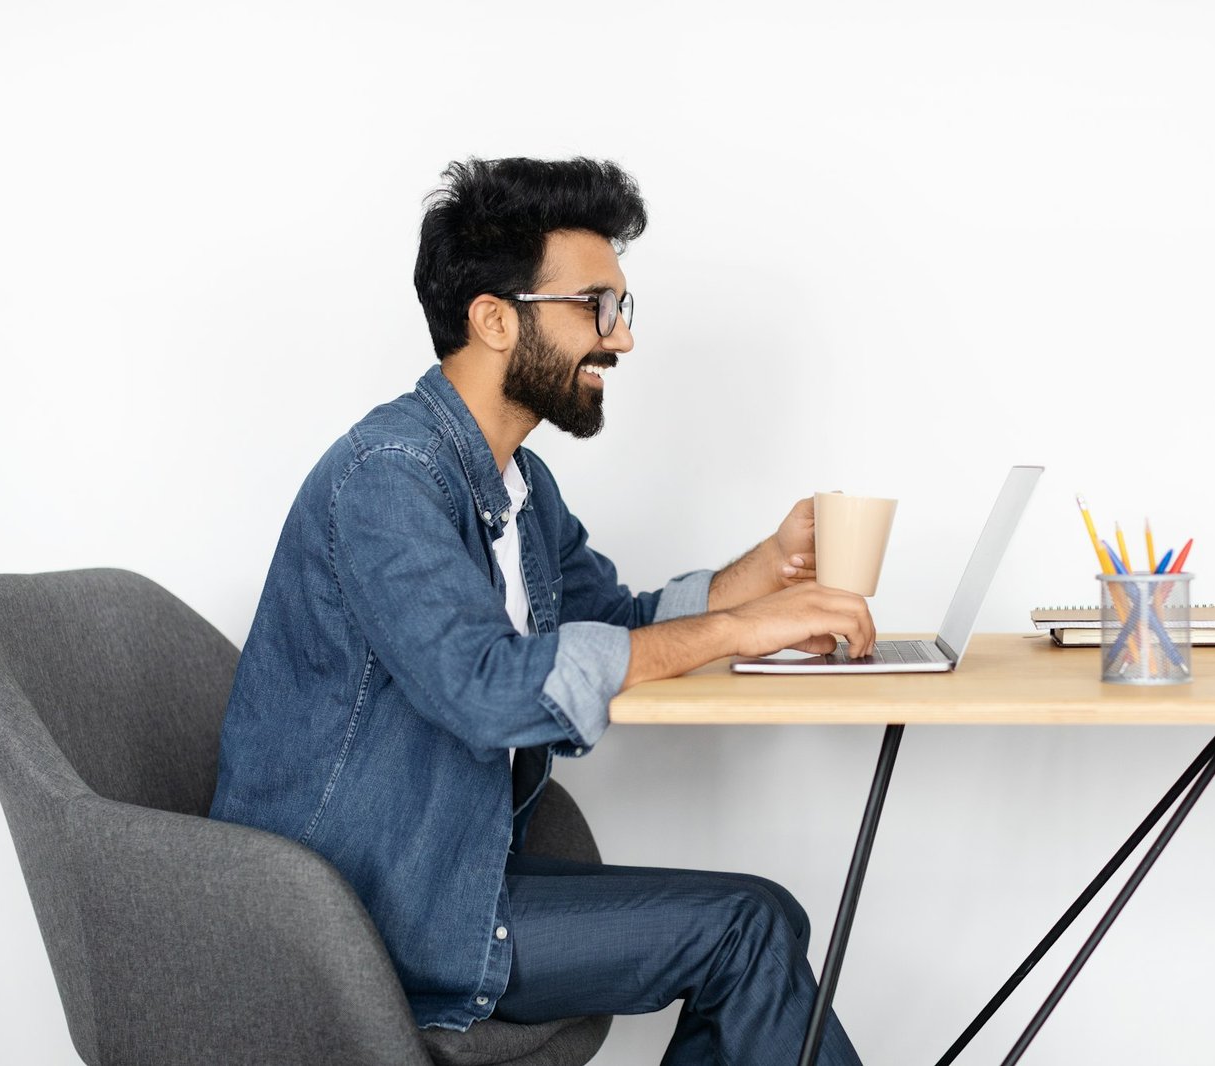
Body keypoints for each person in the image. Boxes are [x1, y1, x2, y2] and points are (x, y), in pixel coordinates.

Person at [209, 156, 875, 1065]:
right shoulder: (387, 480)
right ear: (493, 317)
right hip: (363, 911)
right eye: (596, 307)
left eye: (622, 309)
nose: (622, 340)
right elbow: (484, 692)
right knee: (748, 927)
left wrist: (763, 572)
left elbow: (616, 620)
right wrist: (736, 632)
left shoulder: (519, 486)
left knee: (764, 919)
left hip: (453, 872)